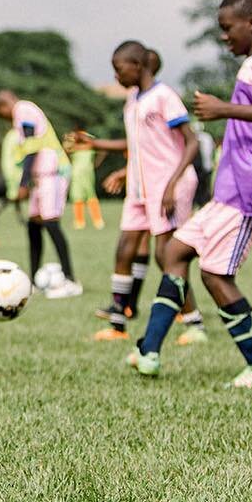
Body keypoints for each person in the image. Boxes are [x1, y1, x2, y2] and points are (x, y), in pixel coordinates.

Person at [126, 0, 252, 388]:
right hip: (232, 190)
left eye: (227, 28)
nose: (224, 37)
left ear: (251, 22)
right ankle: (148, 350)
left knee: (216, 276)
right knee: (174, 251)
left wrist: (224, 109)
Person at [74, 42, 205, 344]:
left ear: (137, 65)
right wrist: (102, 150)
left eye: (119, 70)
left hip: (167, 186)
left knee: (166, 255)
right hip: (140, 187)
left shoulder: (164, 97)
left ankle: (194, 324)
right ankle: (118, 323)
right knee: (124, 248)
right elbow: (137, 144)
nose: (116, 77)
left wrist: (172, 184)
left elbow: (192, 141)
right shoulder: (133, 100)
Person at [0, 90, 81, 298]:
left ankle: (70, 280)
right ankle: (31, 281)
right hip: (40, 177)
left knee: (50, 222)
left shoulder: (23, 110)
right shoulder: (21, 114)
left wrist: (23, 184)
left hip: (53, 172)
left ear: (3, 106)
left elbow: (32, 148)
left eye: (1, 114)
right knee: (34, 224)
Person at [64, 122, 105, 230]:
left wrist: (96, 163)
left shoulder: (89, 139)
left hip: (88, 173)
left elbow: (101, 149)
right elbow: (66, 150)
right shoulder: (70, 140)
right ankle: (79, 221)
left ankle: (97, 220)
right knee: (77, 196)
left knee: (91, 195)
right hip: (76, 173)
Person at [0, 126, 25, 226]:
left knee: (16, 196)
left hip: (11, 170)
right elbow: (20, 154)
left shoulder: (11, 135)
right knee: (12, 195)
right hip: (14, 171)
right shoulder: (17, 136)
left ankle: (20, 218)